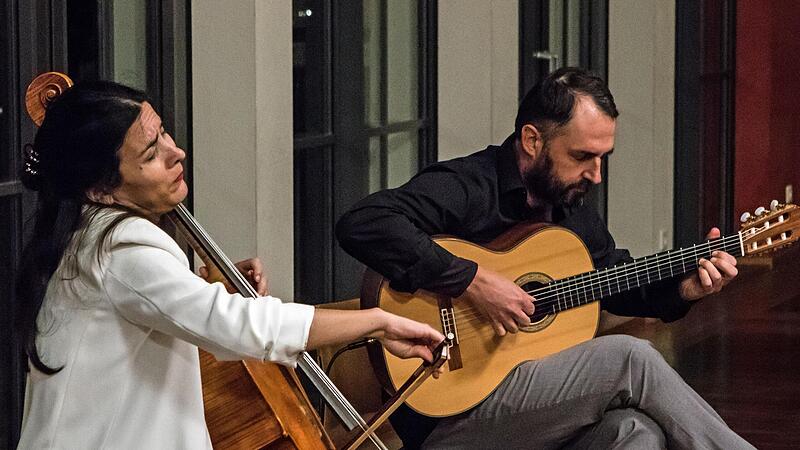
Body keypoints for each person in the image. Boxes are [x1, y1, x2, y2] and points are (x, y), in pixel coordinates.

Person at [336, 67, 754, 449]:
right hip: (450, 417)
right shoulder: (468, 185)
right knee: (632, 359)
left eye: (602, 158)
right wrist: (472, 282)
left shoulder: (568, 206)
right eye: (582, 157)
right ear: (533, 140)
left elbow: (615, 281)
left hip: (532, 415)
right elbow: (364, 222)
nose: (596, 175)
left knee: (634, 432)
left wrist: (685, 288)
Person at [14, 80, 444, 449]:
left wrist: (202, 287)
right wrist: (377, 322)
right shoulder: (123, 248)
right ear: (101, 189)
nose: (176, 152)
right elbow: (245, 327)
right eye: (150, 154)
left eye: (164, 132)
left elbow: (139, 309)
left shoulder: (87, 233)